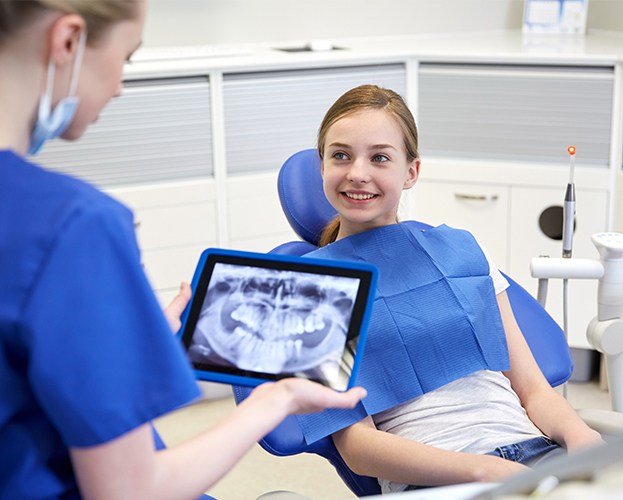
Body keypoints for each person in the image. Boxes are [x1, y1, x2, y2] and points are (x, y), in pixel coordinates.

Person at [0, 2, 366, 499]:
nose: (118, 86)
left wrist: (118, 342)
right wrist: (274, 401)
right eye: (126, 58)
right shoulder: (74, 224)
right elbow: (128, 491)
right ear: (68, 41)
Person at [297, 84, 604, 494]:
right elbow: (356, 446)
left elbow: (532, 390)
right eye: (341, 155)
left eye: (380, 157)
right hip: (436, 483)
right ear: (322, 167)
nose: (357, 172)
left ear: (411, 172)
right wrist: (481, 470)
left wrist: (584, 443)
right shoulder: (308, 290)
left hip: (534, 457)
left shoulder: (462, 251)